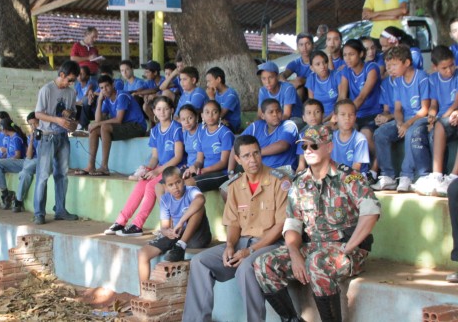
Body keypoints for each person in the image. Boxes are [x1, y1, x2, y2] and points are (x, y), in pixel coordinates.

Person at [254, 124, 381, 322]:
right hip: (312, 247)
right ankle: (291, 319)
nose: (308, 151)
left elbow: (371, 211)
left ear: (329, 147)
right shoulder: (300, 183)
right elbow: (293, 224)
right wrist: (295, 254)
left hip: (347, 251)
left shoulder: (348, 177)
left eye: (314, 146)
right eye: (304, 147)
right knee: (264, 264)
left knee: (316, 263)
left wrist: (350, 247)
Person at [182, 135, 290, 322]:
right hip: (241, 243)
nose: (253, 160)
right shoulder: (235, 185)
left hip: (271, 244)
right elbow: (233, 223)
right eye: (246, 156)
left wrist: (250, 251)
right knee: (199, 262)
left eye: (256, 153)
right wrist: (230, 245)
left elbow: (281, 226)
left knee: (246, 268)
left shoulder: (279, 181)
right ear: (238, 159)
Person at [104, 96, 184, 237]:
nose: (162, 112)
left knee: (151, 185)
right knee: (142, 182)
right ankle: (121, 221)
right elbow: (155, 157)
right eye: (158, 109)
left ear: (172, 110)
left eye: (166, 109)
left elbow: (177, 157)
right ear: (153, 111)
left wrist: (157, 171)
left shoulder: (176, 128)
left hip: (175, 168)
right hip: (161, 167)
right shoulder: (155, 130)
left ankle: (137, 225)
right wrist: (147, 169)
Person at [137, 167, 212, 286]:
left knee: (198, 206)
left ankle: (181, 246)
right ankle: (145, 292)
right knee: (143, 253)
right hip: (178, 233)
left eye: (178, 182)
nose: (175, 187)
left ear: (183, 181)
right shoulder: (165, 199)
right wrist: (168, 232)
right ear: (166, 187)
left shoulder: (191, 190)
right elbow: (164, 227)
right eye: (171, 185)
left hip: (198, 236)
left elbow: (200, 199)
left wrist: (181, 221)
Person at [373, 46, 430, 192]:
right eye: (388, 66)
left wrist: (407, 124)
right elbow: (397, 109)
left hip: (420, 118)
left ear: (407, 62)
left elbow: (424, 109)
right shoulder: (397, 81)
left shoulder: (421, 76)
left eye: (394, 65)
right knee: (380, 133)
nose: (390, 69)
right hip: (404, 120)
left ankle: (407, 175)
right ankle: (388, 176)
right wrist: (399, 123)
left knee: (411, 132)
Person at [33, 60, 81, 225]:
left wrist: (69, 115)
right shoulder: (46, 90)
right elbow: (38, 114)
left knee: (62, 175)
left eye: (73, 81)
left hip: (63, 137)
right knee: (43, 176)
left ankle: (60, 210)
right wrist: (57, 120)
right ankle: (39, 213)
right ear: (61, 75)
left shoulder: (71, 92)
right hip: (47, 136)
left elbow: (73, 114)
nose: (70, 83)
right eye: (69, 79)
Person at [79, 74, 147, 176]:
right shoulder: (106, 99)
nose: (104, 90)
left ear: (113, 84)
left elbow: (118, 120)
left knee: (104, 127)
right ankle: (91, 165)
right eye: (102, 88)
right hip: (125, 126)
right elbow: (98, 119)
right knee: (94, 130)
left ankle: (104, 167)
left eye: (107, 86)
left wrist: (97, 123)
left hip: (137, 126)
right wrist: (100, 101)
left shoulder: (121, 95)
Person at [414, 46, 458, 196]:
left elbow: (455, 103)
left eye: (452, 65)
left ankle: (452, 177)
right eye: (444, 67)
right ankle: (436, 176)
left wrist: (443, 117)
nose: (449, 70)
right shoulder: (433, 79)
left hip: (451, 114)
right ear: (435, 67)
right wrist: (432, 116)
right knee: (419, 130)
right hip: (443, 117)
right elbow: (433, 104)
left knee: (440, 125)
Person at [338, 39, 381, 168]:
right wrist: (335, 116)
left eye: (351, 54)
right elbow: (342, 96)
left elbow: (362, 97)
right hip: (355, 114)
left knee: (365, 135)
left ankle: (376, 167)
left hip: (373, 113)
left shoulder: (371, 68)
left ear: (361, 54)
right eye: (345, 55)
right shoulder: (346, 71)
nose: (347, 58)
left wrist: (346, 115)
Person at [230, 98, 299, 176]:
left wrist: (255, 153)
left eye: (278, 111)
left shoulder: (288, 125)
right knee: (229, 186)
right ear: (263, 116)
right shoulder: (256, 126)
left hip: (283, 172)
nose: (275, 114)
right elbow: (236, 145)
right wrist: (230, 172)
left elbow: (282, 145)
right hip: (259, 172)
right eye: (271, 112)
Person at [183, 100, 234, 192]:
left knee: (185, 185)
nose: (210, 116)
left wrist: (204, 171)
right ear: (202, 115)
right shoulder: (202, 133)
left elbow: (223, 162)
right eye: (207, 112)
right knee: (176, 181)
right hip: (204, 171)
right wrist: (194, 167)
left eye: (214, 112)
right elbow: (199, 160)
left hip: (221, 173)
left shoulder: (225, 133)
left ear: (219, 114)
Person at [0, 118, 28, 209]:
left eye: (1, 129)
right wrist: (1, 158)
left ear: (5, 129)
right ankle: (5, 193)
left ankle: (5, 193)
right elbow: (8, 154)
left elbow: (17, 156)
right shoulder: (9, 138)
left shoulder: (16, 138)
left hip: (20, 162)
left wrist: (5, 161)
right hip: (13, 162)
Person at [331, 99, 370, 173]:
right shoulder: (331, 137)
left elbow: (356, 169)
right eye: (343, 114)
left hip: (355, 177)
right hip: (336, 176)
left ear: (355, 117)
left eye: (351, 115)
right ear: (335, 118)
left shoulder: (360, 139)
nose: (347, 118)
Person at [13, 112, 40, 212]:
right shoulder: (30, 136)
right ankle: (18, 200)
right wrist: (32, 140)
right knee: (25, 173)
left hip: (44, 161)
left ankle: (17, 200)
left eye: (35, 123)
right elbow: (29, 156)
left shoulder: (46, 133)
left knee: (27, 167)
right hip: (32, 162)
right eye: (31, 125)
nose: (33, 126)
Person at [205, 66, 242, 133]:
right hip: (219, 121)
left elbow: (218, 115)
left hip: (231, 125)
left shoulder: (231, 95)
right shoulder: (215, 93)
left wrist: (211, 97)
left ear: (218, 79)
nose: (207, 84)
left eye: (209, 81)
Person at [305, 50, 339, 121]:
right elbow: (311, 104)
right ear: (312, 68)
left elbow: (342, 100)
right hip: (318, 117)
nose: (323, 66)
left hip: (336, 115)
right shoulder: (311, 79)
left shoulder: (336, 76)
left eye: (325, 62)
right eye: (318, 64)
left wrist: (327, 119)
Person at [281, 32, 314, 100]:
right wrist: (290, 82)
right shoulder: (295, 63)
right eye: (301, 45)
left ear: (313, 45)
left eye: (307, 44)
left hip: (317, 90)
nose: (304, 48)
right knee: (299, 87)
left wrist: (303, 80)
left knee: (299, 83)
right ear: (298, 47)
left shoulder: (318, 60)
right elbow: (282, 76)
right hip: (302, 93)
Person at [296, 98, 325, 172]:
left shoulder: (328, 134)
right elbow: (301, 165)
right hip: (312, 172)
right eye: (309, 113)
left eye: (317, 112)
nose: (313, 116)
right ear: (304, 118)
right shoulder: (302, 136)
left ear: (323, 115)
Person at [75, 65, 97, 130]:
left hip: (90, 109)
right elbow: (73, 96)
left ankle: (82, 124)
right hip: (80, 108)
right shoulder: (77, 85)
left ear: (88, 76)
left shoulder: (90, 83)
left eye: (82, 74)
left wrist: (76, 102)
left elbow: (85, 98)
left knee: (85, 99)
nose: (79, 75)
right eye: (78, 73)